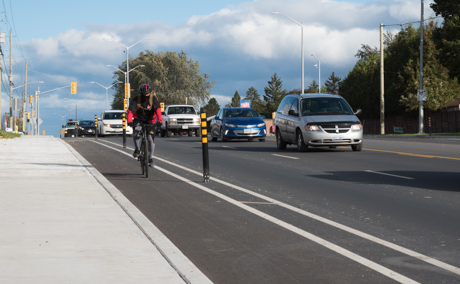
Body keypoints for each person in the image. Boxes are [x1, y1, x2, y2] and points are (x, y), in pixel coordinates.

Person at [127, 84, 163, 168]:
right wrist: (129, 121)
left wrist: (160, 120)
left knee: (150, 139)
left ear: (150, 92)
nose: (146, 95)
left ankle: (151, 158)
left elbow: (158, 109)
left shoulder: (153, 99)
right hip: (138, 119)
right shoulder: (137, 99)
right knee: (136, 132)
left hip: (150, 120)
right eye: (144, 93)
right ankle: (137, 149)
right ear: (141, 92)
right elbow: (130, 110)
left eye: (147, 93)